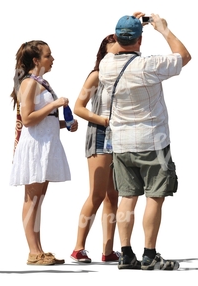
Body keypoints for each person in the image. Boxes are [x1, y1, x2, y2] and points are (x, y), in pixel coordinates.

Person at [98, 12, 191, 270]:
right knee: (155, 197)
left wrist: (128, 27)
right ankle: (149, 254)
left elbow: (120, 43)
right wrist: (163, 29)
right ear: (140, 40)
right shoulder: (148, 65)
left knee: (127, 197)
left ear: (116, 38)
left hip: (122, 142)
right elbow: (184, 57)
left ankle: (126, 254)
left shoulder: (105, 64)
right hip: (153, 141)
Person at [9, 40, 79, 266]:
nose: (52, 59)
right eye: (48, 56)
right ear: (36, 60)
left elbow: (42, 119)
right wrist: (54, 104)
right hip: (35, 147)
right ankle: (32, 251)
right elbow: (28, 119)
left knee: (38, 200)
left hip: (45, 144)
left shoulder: (41, 82)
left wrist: (64, 124)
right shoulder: (29, 83)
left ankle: (38, 249)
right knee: (32, 200)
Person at [70, 34, 120, 263]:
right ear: (104, 51)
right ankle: (78, 247)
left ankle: (108, 251)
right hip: (100, 135)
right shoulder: (96, 75)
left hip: (121, 138)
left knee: (113, 196)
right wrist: (102, 120)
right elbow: (78, 107)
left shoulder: (125, 73)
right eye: (114, 47)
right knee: (97, 194)